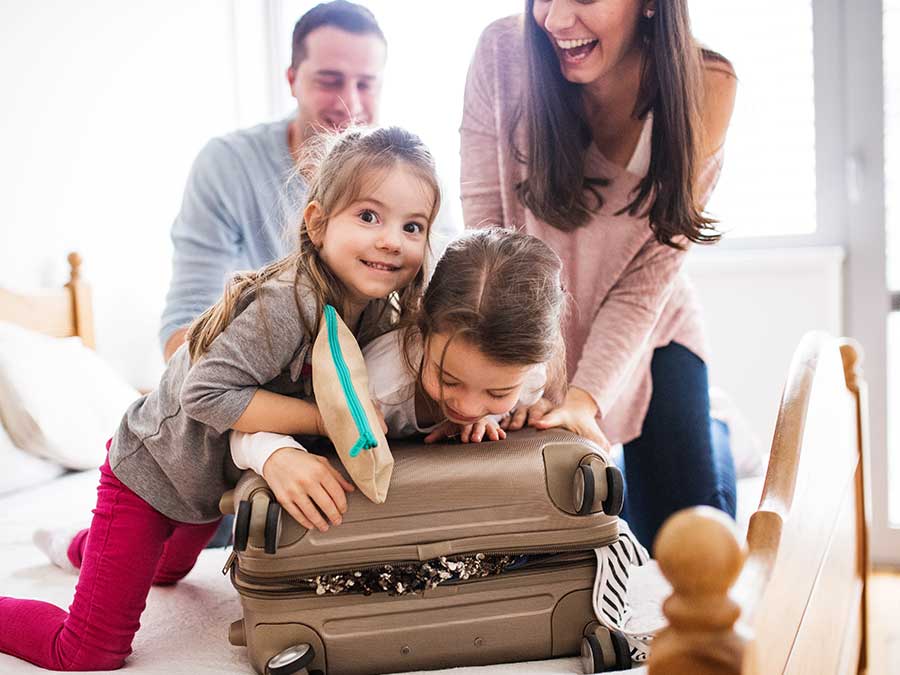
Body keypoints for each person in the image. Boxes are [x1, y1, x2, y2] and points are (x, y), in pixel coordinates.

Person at [2, 125, 441, 671]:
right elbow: (204, 393)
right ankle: (78, 554)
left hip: (207, 489)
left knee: (167, 573)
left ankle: (79, 546)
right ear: (318, 222)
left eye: (413, 225)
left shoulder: (375, 310)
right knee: (88, 653)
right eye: (369, 217)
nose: (391, 239)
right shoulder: (286, 304)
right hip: (152, 472)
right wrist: (326, 420)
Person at [460, 0, 738, 547]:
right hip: (533, 327)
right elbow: (487, 237)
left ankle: (716, 424)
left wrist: (585, 398)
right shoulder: (502, 54)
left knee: (687, 538)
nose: (556, 20)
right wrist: (525, 374)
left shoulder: (707, 85)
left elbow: (646, 283)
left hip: (650, 331)